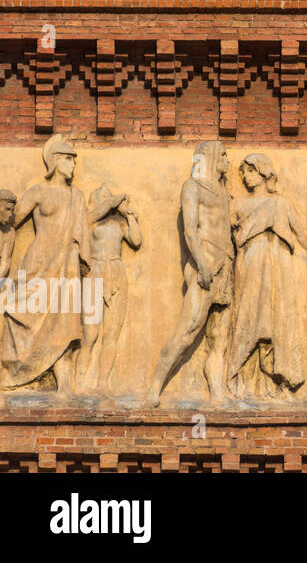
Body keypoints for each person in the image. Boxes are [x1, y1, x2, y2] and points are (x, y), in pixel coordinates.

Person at [226, 154, 307, 398]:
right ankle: (236, 373)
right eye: (242, 173)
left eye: (249, 171)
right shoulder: (238, 205)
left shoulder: (281, 204)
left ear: (262, 172)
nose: (244, 177)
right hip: (251, 263)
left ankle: (275, 376)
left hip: (278, 266)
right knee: (248, 316)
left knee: (278, 319)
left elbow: (301, 233)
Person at [148, 140, 236, 406]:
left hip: (226, 265)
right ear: (209, 156)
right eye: (222, 155)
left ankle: (217, 392)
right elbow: (190, 230)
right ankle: (154, 388)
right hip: (205, 265)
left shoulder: (222, 192)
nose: (227, 161)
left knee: (219, 336)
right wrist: (202, 263)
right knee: (188, 328)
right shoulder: (192, 187)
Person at [2, 136, 89, 391]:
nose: (73, 164)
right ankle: (12, 374)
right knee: (19, 316)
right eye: (68, 158)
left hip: (66, 268)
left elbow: (84, 240)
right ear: (54, 161)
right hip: (37, 265)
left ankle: (66, 387)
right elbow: (10, 223)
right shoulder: (38, 191)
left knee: (65, 325)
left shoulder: (77, 197)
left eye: (73, 159)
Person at [78, 185, 141, 390]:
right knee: (90, 333)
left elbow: (137, 241)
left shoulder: (119, 223)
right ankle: (79, 380)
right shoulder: (89, 220)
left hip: (116, 272)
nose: (110, 201)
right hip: (94, 272)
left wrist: (131, 216)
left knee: (111, 334)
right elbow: (95, 214)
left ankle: (103, 382)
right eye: (104, 198)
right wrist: (114, 200)